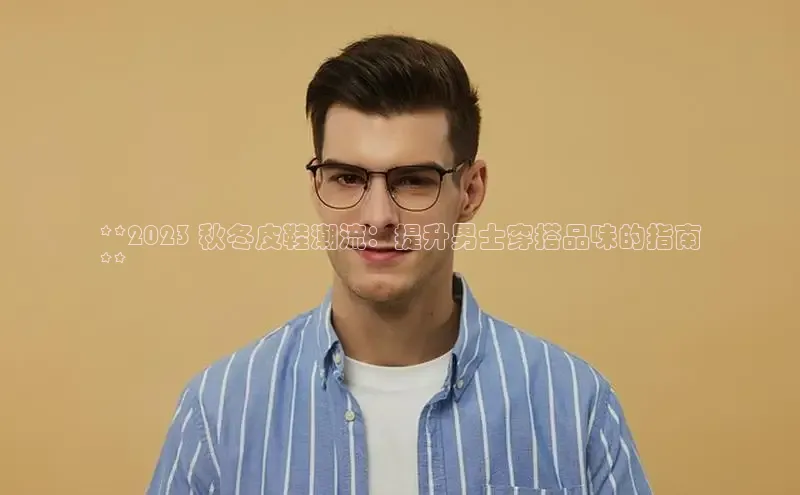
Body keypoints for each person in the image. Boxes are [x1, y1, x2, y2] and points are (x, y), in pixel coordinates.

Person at [146, 34, 652, 495]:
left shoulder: (575, 405)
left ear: (470, 191)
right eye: (347, 177)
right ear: (317, 187)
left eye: (413, 180)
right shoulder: (219, 411)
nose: (378, 217)